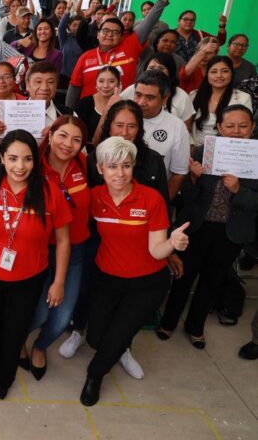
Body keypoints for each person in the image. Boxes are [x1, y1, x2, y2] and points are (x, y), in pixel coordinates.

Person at [0, 130, 72, 414]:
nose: (19, 166)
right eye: (12, 158)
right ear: (2, 159)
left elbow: (63, 240)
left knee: (13, 332)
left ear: (36, 161)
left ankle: (3, 377)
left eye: (26, 159)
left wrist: (58, 282)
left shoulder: (48, 192)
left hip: (29, 277)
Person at [61, 101, 170, 378]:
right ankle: (78, 330)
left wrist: (170, 247)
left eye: (131, 125)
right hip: (99, 236)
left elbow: (162, 208)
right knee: (89, 290)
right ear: (108, 126)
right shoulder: (94, 157)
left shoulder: (152, 160)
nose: (125, 131)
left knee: (127, 306)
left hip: (138, 241)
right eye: (119, 124)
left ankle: (122, 347)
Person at [79, 136, 189, 407]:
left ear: (133, 167)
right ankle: (119, 348)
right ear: (101, 169)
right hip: (107, 278)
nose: (120, 173)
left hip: (146, 283)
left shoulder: (150, 199)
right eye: (113, 166)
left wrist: (173, 244)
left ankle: (95, 375)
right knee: (95, 337)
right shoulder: (94, 198)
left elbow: (156, 250)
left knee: (116, 335)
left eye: (126, 166)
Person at [158, 105, 258, 349]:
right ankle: (169, 322)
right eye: (230, 126)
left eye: (243, 126)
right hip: (199, 227)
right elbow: (187, 197)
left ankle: (195, 327)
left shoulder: (255, 156)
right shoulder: (206, 151)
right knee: (184, 276)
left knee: (212, 281)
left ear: (252, 127)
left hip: (230, 232)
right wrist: (192, 179)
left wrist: (238, 191)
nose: (236, 131)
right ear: (220, 128)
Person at [22, 116, 92, 380]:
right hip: (38, 250)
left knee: (62, 316)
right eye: (63, 135)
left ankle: (40, 347)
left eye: (76, 140)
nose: (68, 144)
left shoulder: (82, 164)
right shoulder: (32, 167)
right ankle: (19, 340)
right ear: (49, 135)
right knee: (39, 312)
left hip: (74, 250)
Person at [67, 0, 177, 106]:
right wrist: (69, 113)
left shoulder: (130, 46)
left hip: (122, 113)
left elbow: (149, 22)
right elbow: (74, 88)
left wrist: (162, 0)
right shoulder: (85, 58)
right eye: (106, 31)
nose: (110, 34)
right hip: (89, 113)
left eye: (115, 32)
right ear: (98, 34)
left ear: (121, 36)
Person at [129, 70, 190, 199]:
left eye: (150, 97)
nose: (141, 102)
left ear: (165, 98)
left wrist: (163, 205)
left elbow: (178, 173)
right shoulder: (122, 118)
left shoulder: (177, 126)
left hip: (154, 198)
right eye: (138, 95)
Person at [190, 56, 253, 147]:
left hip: (227, 149)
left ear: (232, 73)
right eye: (214, 72)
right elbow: (186, 125)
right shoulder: (194, 95)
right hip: (195, 147)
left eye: (225, 71)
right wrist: (191, 145)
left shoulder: (243, 98)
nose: (219, 75)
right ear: (207, 74)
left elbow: (245, 129)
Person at [122, 52, 195, 128]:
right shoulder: (133, 89)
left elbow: (186, 129)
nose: (155, 72)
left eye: (161, 68)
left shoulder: (182, 97)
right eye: (151, 68)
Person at [75, 66, 121, 141]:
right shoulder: (85, 104)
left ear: (118, 84)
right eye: (101, 81)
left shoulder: (122, 105)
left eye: (111, 81)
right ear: (96, 84)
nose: (105, 86)